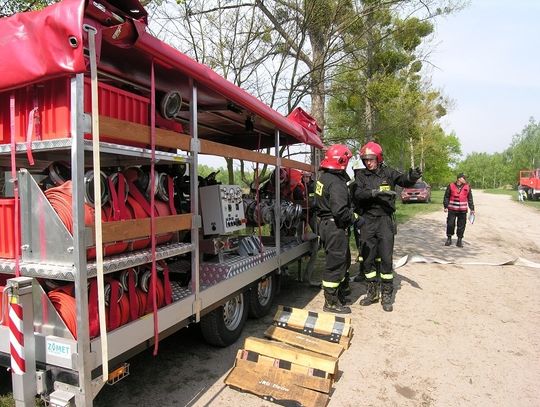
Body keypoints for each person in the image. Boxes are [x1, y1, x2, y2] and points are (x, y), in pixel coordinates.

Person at [351, 141, 422, 312]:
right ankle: (372, 292)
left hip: (384, 221)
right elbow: (357, 194)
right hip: (367, 220)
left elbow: (403, 180)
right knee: (367, 259)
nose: (368, 162)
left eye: (371, 159)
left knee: (386, 258)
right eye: (365, 159)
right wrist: (374, 193)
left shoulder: (388, 172)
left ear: (379, 158)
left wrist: (412, 176)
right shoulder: (360, 175)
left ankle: (387, 295)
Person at [315, 144, 355, 314]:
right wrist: (355, 218)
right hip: (335, 226)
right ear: (342, 161)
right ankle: (331, 303)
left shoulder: (323, 178)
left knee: (342, 259)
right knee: (335, 263)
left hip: (325, 224)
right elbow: (340, 211)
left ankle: (338, 294)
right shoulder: (337, 183)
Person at [443, 173, 475, 247]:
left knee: (461, 225)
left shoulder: (467, 187)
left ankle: (459, 240)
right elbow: (446, 196)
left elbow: (470, 198)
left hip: (462, 210)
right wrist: (445, 206)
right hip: (452, 209)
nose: (465, 179)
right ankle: (449, 239)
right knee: (450, 224)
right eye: (464, 178)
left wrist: (472, 208)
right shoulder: (451, 185)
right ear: (459, 179)